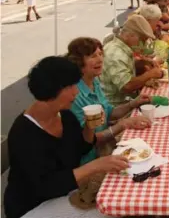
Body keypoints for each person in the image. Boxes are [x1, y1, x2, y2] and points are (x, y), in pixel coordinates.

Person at [4, 56, 129, 218]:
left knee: (118, 198)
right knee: (111, 212)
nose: (76, 91)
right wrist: (97, 165)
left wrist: (89, 127)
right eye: (70, 86)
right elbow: (46, 185)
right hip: (32, 206)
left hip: (65, 195)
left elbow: (81, 148)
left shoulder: (65, 116)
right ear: (51, 90)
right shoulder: (23, 133)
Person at [67, 37, 152, 165]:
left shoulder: (94, 81)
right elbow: (87, 141)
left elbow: (109, 112)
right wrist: (122, 125)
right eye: (92, 56)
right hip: (91, 160)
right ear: (78, 62)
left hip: (106, 147)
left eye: (100, 54)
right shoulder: (74, 95)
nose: (100, 59)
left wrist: (134, 103)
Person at [101, 14, 163, 108]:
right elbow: (127, 86)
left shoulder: (122, 48)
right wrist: (150, 74)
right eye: (142, 39)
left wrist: (142, 63)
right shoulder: (116, 54)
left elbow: (126, 68)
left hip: (126, 100)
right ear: (128, 35)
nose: (144, 44)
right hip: (115, 108)